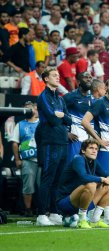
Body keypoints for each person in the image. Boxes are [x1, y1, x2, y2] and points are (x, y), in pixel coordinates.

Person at [82, 78, 109, 227]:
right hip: (105, 151)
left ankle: (106, 217)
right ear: (106, 87)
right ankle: (89, 214)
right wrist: (98, 141)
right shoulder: (100, 103)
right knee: (104, 183)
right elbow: (85, 121)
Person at [36, 67, 72, 226]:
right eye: (54, 75)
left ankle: (54, 212)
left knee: (58, 179)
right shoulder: (43, 96)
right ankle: (41, 214)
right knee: (47, 178)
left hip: (62, 141)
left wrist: (62, 115)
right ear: (45, 79)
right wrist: (60, 117)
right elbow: (52, 119)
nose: (58, 77)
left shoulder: (61, 99)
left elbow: (68, 119)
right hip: (50, 142)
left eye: (59, 75)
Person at [56, 139, 109, 228]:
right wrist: (102, 179)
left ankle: (95, 220)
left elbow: (106, 174)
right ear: (83, 151)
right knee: (91, 184)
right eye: (91, 148)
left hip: (82, 202)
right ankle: (82, 220)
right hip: (65, 202)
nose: (94, 151)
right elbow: (83, 177)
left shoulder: (93, 161)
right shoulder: (78, 159)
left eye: (96, 149)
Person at [10, 102, 40, 217]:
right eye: (25, 109)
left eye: (29, 109)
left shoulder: (42, 123)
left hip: (41, 160)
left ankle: (43, 209)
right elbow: (15, 143)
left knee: (42, 185)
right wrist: (17, 159)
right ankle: (28, 209)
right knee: (28, 185)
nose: (26, 111)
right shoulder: (20, 124)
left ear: (34, 110)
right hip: (28, 160)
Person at [63, 72, 93, 165]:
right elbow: (57, 114)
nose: (89, 79)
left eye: (90, 77)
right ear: (78, 81)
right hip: (74, 140)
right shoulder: (70, 96)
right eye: (86, 77)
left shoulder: (92, 99)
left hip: (88, 142)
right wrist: (65, 132)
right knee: (72, 168)